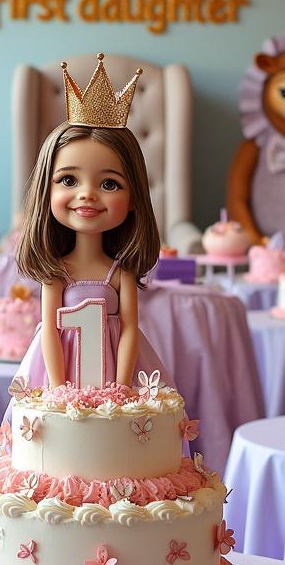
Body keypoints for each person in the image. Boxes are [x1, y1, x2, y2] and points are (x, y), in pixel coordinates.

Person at [13, 57, 171, 389]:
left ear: (132, 200)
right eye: (69, 180)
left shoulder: (120, 272)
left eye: (109, 184)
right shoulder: (56, 272)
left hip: (115, 383)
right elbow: (50, 332)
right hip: (64, 386)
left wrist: (123, 385)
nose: (87, 195)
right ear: (47, 190)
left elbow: (130, 329)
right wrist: (58, 390)